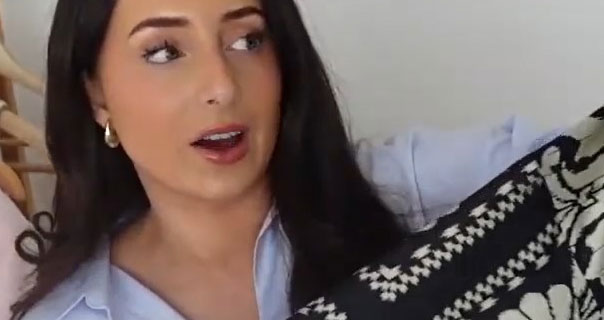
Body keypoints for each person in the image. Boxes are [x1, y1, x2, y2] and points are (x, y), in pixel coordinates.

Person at [9, 0, 559, 319]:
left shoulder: (404, 192)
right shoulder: (72, 314)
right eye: (163, 52)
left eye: (247, 40)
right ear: (96, 94)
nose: (222, 86)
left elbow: (582, 167)